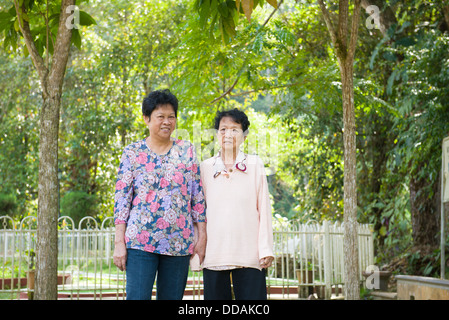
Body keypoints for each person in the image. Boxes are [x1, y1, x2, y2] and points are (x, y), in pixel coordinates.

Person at [113, 89, 207, 300]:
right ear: (146, 119)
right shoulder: (132, 152)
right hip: (140, 243)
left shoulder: (187, 151)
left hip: (179, 244)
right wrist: (119, 243)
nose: (167, 122)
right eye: (160, 116)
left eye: (171, 117)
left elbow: (197, 198)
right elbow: (122, 201)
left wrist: (202, 237)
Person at [200, 108, 274, 300]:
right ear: (217, 134)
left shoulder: (255, 165)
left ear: (244, 135)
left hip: (249, 254)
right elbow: (199, 212)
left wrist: (265, 249)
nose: (228, 134)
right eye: (223, 129)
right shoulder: (205, 168)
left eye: (234, 129)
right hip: (215, 254)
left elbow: (264, 209)